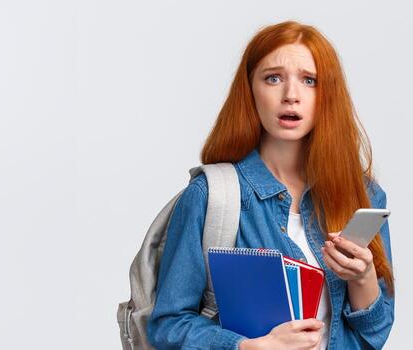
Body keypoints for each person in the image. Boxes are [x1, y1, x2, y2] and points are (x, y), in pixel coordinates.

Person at [147, 20, 395, 349]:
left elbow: (374, 336)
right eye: (273, 78)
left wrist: (362, 277)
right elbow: (167, 326)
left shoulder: (361, 195)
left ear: (327, 94)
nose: (291, 95)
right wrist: (247, 346)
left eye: (310, 81)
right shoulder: (212, 196)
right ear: (250, 89)